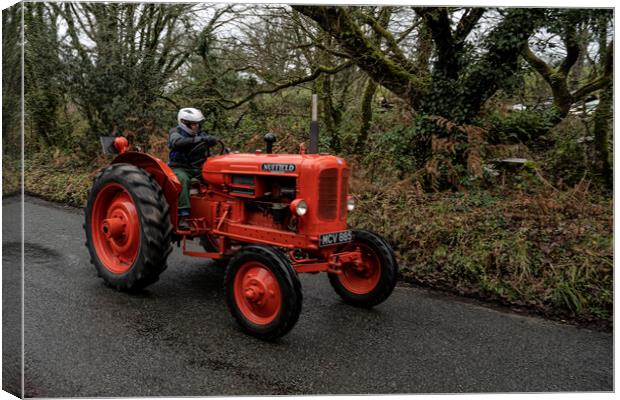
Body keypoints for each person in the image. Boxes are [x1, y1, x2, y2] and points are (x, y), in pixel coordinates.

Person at [168, 107, 217, 229]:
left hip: (198, 168)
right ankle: (183, 215)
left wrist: (211, 140)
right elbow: (177, 142)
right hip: (180, 168)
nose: (197, 127)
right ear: (184, 123)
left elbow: (210, 139)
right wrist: (199, 139)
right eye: (194, 124)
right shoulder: (175, 132)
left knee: (215, 178)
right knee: (183, 180)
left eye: (198, 124)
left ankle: (215, 212)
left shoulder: (201, 133)